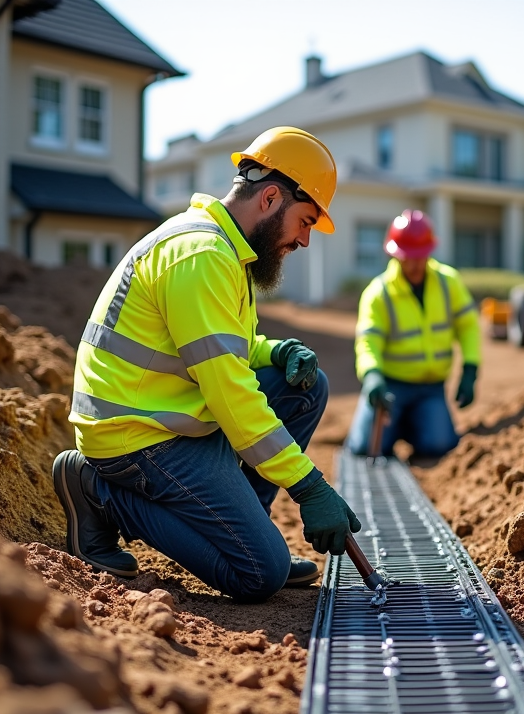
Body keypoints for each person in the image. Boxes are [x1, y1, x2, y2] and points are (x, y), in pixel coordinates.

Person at [51, 126, 361, 602]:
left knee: (306, 385)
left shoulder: (225, 251)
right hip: (137, 435)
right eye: (304, 221)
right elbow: (229, 390)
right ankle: (97, 491)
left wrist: (273, 352)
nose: (304, 240)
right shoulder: (200, 255)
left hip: (171, 416)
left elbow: (221, 348)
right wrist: (310, 487)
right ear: (271, 198)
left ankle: (245, 529)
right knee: (260, 575)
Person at [346, 209, 482, 458]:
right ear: (395, 255)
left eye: (420, 256)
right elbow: (368, 342)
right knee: (364, 448)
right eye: (408, 257)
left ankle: (411, 424)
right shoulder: (379, 293)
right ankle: (392, 422)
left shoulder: (448, 282)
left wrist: (470, 369)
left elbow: (468, 326)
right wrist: (372, 376)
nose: (414, 264)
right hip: (389, 388)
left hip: (431, 388)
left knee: (438, 446)